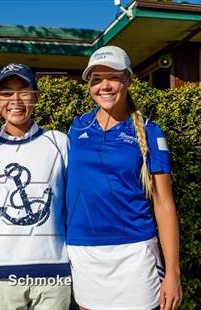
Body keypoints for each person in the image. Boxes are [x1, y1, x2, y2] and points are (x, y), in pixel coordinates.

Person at [66, 46, 182, 310]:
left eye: (113, 77)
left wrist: (173, 273)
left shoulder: (151, 132)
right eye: (96, 79)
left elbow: (164, 204)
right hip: (84, 250)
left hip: (135, 252)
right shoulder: (77, 127)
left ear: (128, 79)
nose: (104, 86)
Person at [0, 64, 71, 310]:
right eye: (6, 93)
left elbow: (74, 206)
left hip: (53, 270)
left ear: (36, 97)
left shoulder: (59, 143)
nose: (15, 100)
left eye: (24, 91)